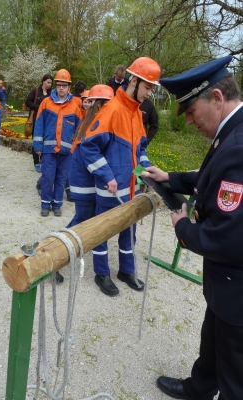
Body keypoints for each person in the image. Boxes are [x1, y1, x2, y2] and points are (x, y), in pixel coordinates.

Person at [144, 55, 243, 400]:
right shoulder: (233, 131)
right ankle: (199, 387)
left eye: (189, 111)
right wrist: (170, 177)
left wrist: (184, 228)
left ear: (216, 98)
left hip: (238, 287)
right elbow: (213, 177)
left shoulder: (239, 145)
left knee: (235, 372)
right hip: (229, 285)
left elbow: (228, 237)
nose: (188, 122)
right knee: (213, 339)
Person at [80, 57, 161, 296]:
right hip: (111, 189)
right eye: (147, 87)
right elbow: (89, 147)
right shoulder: (112, 110)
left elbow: (141, 150)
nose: (149, 94)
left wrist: (146, 171)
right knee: (103, 231)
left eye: (151, 89)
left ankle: (126, 271)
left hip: (131, 189)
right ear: (134, 81)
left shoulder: (136, 113)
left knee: (129, 231)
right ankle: (101, 274)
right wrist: (107, 176)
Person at [33, 68, 82, 217]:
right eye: (59, 84)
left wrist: (74, 149)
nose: (61, 88)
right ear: (56, 85)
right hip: (48, 150)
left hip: (66, 152)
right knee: (48, 177)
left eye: (64, 85)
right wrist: (37, 145)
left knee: (61, 179)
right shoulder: (46, 103)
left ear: (69, 87)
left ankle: (57, 204)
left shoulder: (75, 106)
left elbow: (79, 130)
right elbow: (39, 124)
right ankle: (45, 204)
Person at [66, 84, 114, 227]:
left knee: (89, 219)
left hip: (86, 181)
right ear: (99, 105)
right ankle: (60, 245)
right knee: (82, 220)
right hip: (84, 183)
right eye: (108, 104)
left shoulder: (91, 122)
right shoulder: (94, 125)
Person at [25, 74, 53, 172]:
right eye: (48, 82)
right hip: (36, 119)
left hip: (48, 120)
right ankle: (36, 162)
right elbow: (27, 102)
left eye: (50, 83)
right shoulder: (35, 91)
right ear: (43, 81)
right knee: (36, 141)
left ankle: (43, 161)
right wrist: (39, 107)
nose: (49, 84)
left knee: (46, 141)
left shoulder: (51, 94)